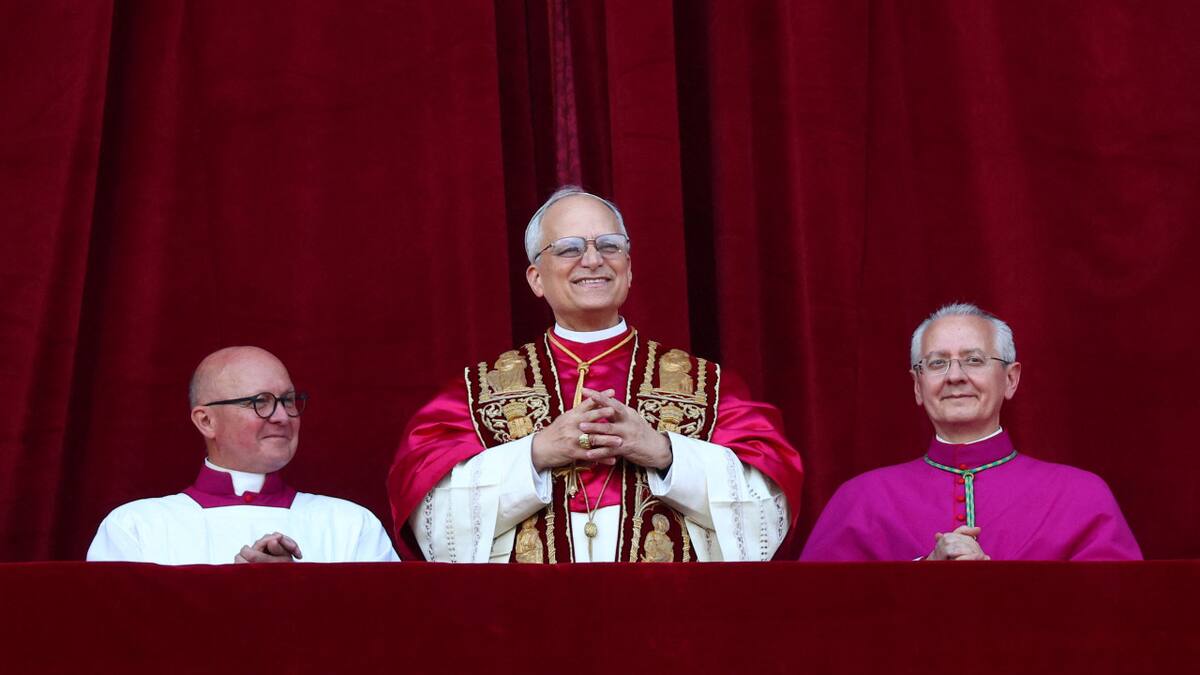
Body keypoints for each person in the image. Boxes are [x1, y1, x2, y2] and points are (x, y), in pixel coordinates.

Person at [388, 186, 805, 563]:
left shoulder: (708, 386)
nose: (593, 259)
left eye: (609, 245)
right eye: (569, 248)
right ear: (536, 278)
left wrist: (664, 452)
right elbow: (431, 524)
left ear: (629, 268)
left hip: (669, 622)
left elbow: (768, 512)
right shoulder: (477, 392)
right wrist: (535, 454)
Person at [801, 302, 1141, 561]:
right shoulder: (861, 501)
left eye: (974, 360)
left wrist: (997, 587)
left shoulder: (1080, 497)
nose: (955, 376)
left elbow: (1119, 618)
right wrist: (920, 572)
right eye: (936, 363)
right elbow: (815, 618)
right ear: (917, 386)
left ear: (1010, 379)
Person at [87, 346, 399, 564]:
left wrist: (298, 587)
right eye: (259, 402)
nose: (282, 416)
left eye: (288, 400)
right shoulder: (135, 528)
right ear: (206, 421)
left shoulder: (351, 524)